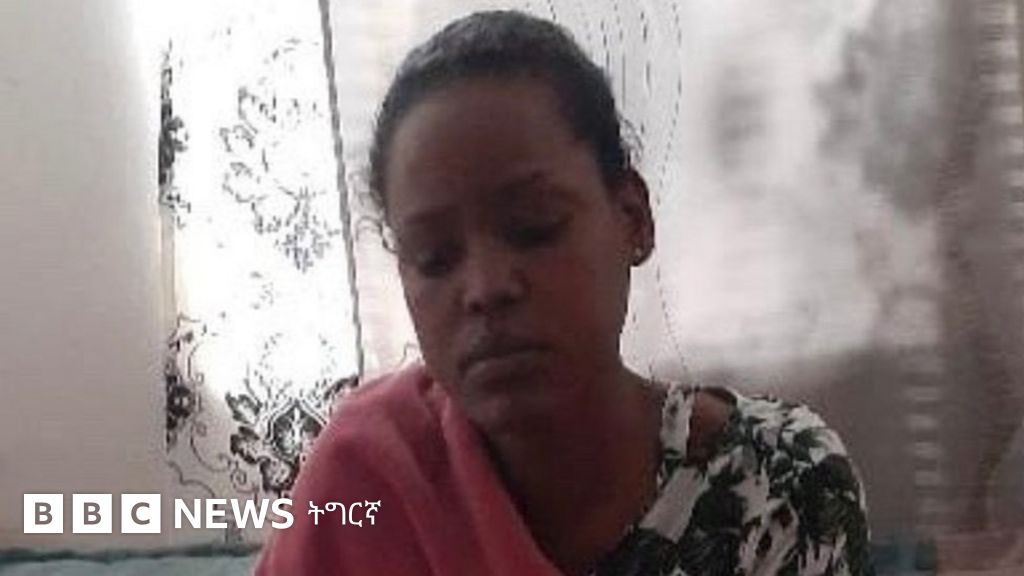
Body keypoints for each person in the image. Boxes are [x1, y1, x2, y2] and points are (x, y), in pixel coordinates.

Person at [255, 10, 872, 576]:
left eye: (535, 226)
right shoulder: (364, 482)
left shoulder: (778, 486)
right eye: (434, 258)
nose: (485, 288)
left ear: (632, 217)